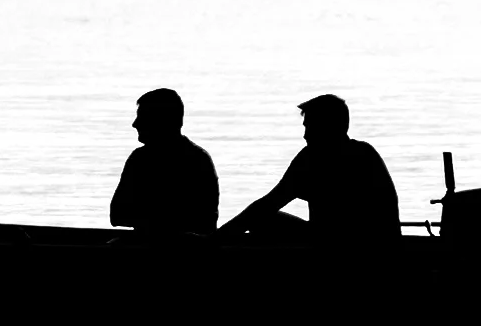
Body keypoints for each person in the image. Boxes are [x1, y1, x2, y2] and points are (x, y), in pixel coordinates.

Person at [234, 92, 401, 242]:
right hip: (378, 247)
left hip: (336, 247)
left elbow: (266, 205)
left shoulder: (312, 159)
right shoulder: (366, 153)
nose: (305, 136)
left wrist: (216, 239)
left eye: (310, 127)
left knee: (260, 218)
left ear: (328, 127)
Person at [107, 87, 217, 233]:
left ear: (160, 121)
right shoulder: (198, 158)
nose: (135, 124)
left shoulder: (195, 161)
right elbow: (117, 215)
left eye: (142, 117)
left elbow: (120, 214)